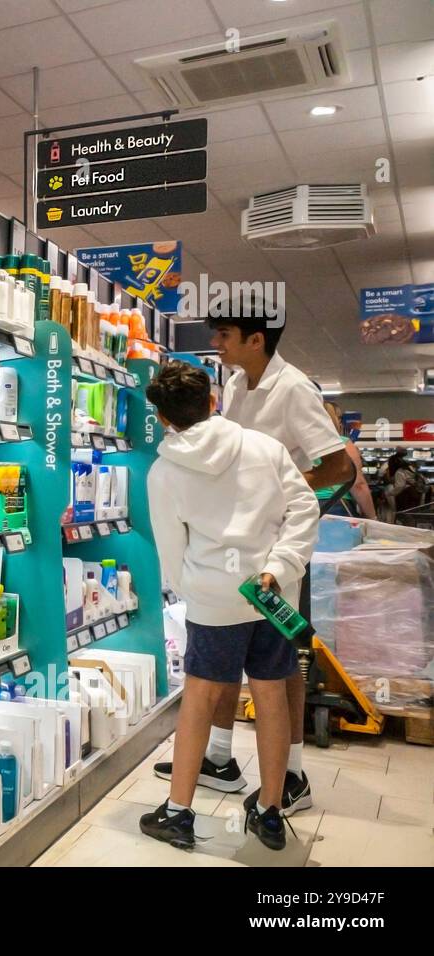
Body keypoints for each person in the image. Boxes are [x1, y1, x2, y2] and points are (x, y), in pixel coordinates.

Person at [154, 309, 351, 815]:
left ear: (255, 339)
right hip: (248, 561)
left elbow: (338, 466)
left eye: (224, 335)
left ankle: (291, 776)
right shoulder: (238, 384)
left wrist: (275, 508)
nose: (216, 343)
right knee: (250, 675)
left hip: (273, 557)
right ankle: (221, 761)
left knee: (279, 675)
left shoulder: (294, 390)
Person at [138, 362, 319, 851]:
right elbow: (305, 507)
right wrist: (278, 568)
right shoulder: (264, 447)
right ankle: (270, 810)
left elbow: (170, 549)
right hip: (271, 595)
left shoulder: (164, 472)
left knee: (200, 695)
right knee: (271, 695)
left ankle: (178, 813)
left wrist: (196, 590)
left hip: (214, 599)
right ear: (212, 401)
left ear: (161, 417)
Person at [318, 401, 376, 519]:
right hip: (335, 505)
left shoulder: (296, 446)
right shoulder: (342, 443)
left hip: (302, 506)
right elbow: (358, 485)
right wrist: (372, 517)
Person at [385, 452, 426, 516]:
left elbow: (400, 486)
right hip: (417, 493)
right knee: (412, 513)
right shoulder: (411, 469)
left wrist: (389, 494)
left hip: (407, 495)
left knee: (388, 490)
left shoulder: (400, 471)